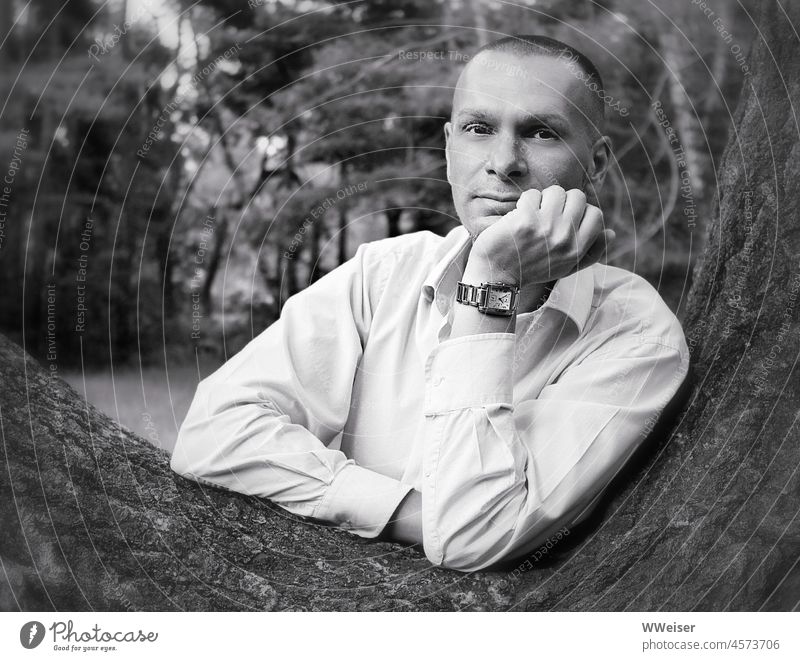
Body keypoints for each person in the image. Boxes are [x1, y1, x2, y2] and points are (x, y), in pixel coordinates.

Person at [171, 35, 690, 572]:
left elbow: (472, 536)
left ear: (597, 163)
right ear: (449, 148)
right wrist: (408, 511)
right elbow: (211, 433)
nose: (503, 163)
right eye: (478, 129)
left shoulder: (636, 336)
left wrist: (493, 280)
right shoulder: (382, 274)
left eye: (541, 132)